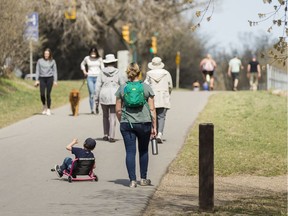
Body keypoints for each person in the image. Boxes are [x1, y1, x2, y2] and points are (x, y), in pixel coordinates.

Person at [115, 63, 157, 188]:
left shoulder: (122, 88)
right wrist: (154, 126)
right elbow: (152, 109)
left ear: (127, 73)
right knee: (143, 151)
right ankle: (143, 179)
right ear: (139, 72)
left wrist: (122, 120)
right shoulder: (146, 87)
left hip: (127, 124)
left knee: (130, 152)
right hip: (144, 123)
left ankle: (132, 181)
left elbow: (117, 110)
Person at [95, 54, 125, 143]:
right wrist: (123, 97)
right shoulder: (118, 72)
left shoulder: (101, 72)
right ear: (114, 62)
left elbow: (97, 86)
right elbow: (123, 84)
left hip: (104, 94)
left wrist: (96, 99)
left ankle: (105, 134)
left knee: (105, 115)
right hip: (115, 95)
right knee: (113, 116)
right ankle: (112, 136)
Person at [144, 57, 173, 143]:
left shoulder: (149, 73)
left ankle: (153, 133)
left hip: (152, 97)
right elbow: (170, 85)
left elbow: (146, 85)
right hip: (163, 96)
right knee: (162, 116)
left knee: (152, 115)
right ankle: (160, 134)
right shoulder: (166, 73)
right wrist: (168, 93)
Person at [34, 48, 58, 116]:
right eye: (45, 54)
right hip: (42, 78)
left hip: (50, 78)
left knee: (48, 94)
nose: (46, 55)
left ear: (49, 54)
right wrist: (36, 80)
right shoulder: (39, 61)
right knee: (42, 94)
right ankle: (44, 106)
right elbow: (37, 70)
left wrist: (55, 81)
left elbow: (54, 71)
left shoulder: (52, 61)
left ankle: (48, 109)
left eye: (47, 54)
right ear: (43, 54)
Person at [80, 47, 104, 114]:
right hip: (90, 76)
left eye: (94, 52)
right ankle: (92, 109)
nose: (93, 54)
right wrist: (84, 71)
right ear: (90, 52)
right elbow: (82, 64)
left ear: (96, 53)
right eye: (92, 52)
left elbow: (102, 68)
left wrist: (103, 75)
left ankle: (96, 106)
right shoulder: (87, 58)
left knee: (97, 92)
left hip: (98, 77)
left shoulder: (99, 59)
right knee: (91, 93)